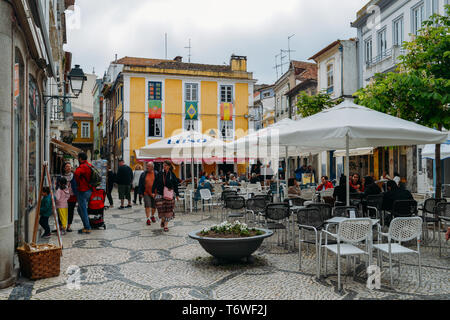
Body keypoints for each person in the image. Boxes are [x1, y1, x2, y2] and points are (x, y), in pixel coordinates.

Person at [153, 160, 179, 232]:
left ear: (169, 166)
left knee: (168, 210)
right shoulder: (160, 174)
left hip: (169, 195)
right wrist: (153, 191)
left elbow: (175, 185)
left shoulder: (172, 174)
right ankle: (163, 220)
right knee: (160, 209)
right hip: (160, 193)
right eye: (163, 165)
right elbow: (155, 182)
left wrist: (177, 194)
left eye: (166, 165)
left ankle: (166, 225)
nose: (164, 166)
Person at [74, 152, 93, 234]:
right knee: (79, 209)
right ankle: (86, 224)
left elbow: (76, 173)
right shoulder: (89, 165)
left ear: (80, 159)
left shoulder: (83, 166)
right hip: (89, 190)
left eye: (78, 158)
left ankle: (87, 227)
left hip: (83, 190)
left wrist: (78, 182)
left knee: (83, 209)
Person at [61, 162, 77, 232]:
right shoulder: (61, 177)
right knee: (62, 211)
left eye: (70, 166)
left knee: (71, 211)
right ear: (64, 168)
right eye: (67, 166)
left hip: (72, 196)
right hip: (63, 197)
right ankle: (62, 226)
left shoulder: (74, 176)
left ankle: (69, 226)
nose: (69, 168)